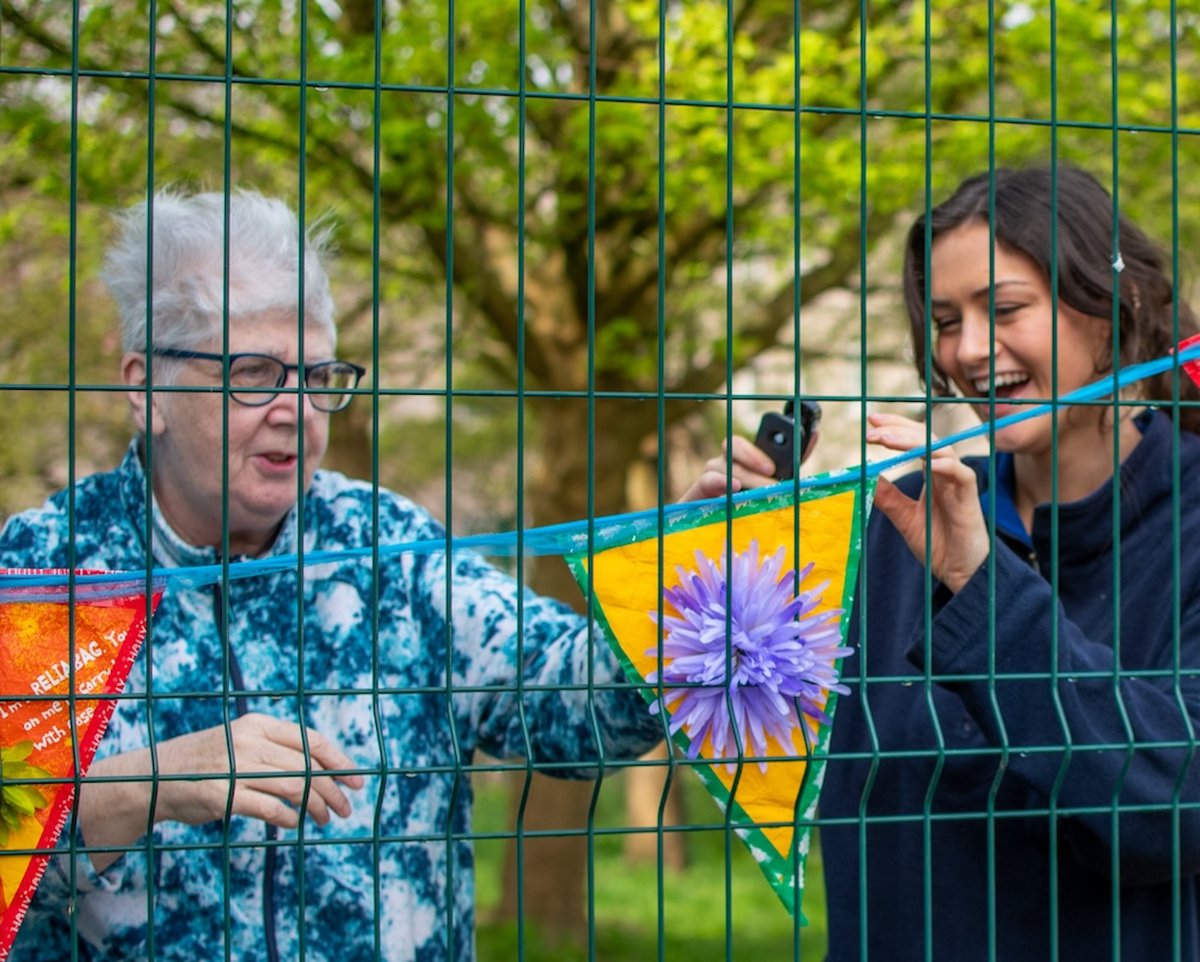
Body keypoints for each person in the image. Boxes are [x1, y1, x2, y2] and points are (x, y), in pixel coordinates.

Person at [0, 189, 662, 961]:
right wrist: (141, 788)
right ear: (146, 387)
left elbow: (583, 705)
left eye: (317, 378)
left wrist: (689, 584)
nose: (295, 410)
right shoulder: (44, 571)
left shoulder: (391, 545)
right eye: (253, 373)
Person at [688, 164, 1200, 959]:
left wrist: (980, 585)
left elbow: (1167, 814)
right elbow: (763, 749)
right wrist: (728, 575)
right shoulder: (905, 523)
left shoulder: (1190, 523)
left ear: (1116, 312)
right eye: (944, 319)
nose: (966, 350)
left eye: (1004, 310)